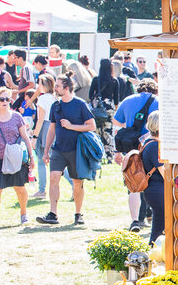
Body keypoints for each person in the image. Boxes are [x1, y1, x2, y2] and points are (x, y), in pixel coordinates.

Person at [36, 74, 95, 226]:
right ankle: (53, 214)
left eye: (57, 86)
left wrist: (71, 126)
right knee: (54, 177)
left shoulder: (80, 104)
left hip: (76, 150)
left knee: (77, 182)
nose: (54, 88)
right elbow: (51, 129)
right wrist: (46, 150)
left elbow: (91, 126)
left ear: (66, 88)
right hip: (58, 149)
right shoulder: (55, 106)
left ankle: (78, 213)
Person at [0, 87, 36, 228]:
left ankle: (24, 214)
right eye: (1, 99)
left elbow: (25, 137)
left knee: (20, 187)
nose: (5, 101)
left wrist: (31, 156)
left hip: (15, 158)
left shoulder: (17, 117)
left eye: (7, 99)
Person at [113, 79, 159, 232]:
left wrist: (129, 125)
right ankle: (148, 215)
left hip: (130, 145)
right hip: (150, 144)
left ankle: (136, 219)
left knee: (134, 182)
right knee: (151, 179)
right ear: (154, 90)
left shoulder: (127, 100)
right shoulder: (157, 101)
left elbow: (116, 121)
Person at [139, 111, 164, 246]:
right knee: (159, 228)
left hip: (152, 190)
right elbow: (164, 173)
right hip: (158, 190)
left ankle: (153, 250)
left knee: (158, 225)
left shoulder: (147, 142)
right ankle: (153, 251)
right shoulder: (155, 146)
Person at [89, 58, 120, 162]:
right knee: (108, 132)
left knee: (97, 132)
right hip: (109, 110)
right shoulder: (114, 81)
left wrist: (95, 102)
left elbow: (90, 95)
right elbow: (116, 99)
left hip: (97, 109)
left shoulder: (96, 80)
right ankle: (109, 155)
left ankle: (97, 154)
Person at [32, 74, 56, 199]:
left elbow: (40, 119)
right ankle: (74, 184)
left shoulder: (42, 99)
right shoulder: (55, 97)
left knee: (42, 159)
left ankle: (42, 190)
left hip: (45, 128)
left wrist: (35, 136)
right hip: (54, 127)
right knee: (55, 160)